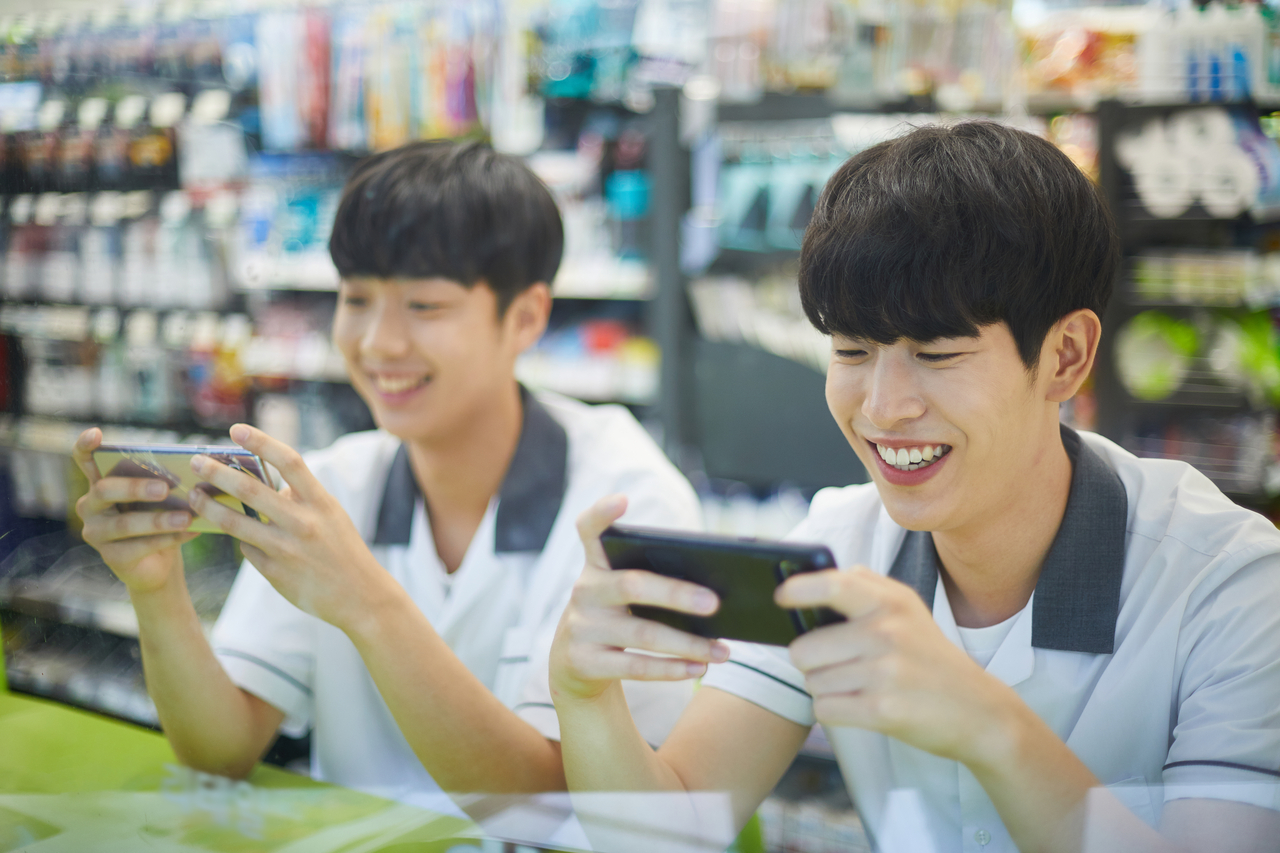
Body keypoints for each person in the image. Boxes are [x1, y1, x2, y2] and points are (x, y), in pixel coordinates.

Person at [550, 121, 1280, 853]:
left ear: (1065, 356)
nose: (883, 406)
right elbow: (667, 833)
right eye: (851, 351)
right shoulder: (838, 550)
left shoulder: (1229, 584)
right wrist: (583, 695)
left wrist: (988, 724)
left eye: (936, 353)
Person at [72, 141, 700, 809]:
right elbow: (219, 750)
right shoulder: (334, 486)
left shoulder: (629, 503)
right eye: (357, 298)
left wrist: (366, 603)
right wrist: (156, 588)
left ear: (525, 318)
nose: (378, 342)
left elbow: (548, 806)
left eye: (424, 306)